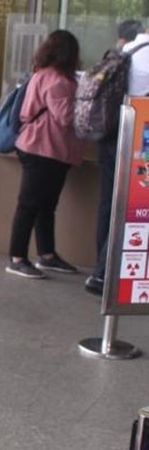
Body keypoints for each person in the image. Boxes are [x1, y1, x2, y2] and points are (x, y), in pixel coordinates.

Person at [6, 29, 86, 279]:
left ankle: (47, 254)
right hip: (43, 148)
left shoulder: (42, 73)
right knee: (30, 205)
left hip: (45, 148)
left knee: (45, 205)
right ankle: (17, 257)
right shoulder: (58, 80)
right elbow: (66, 117)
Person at [86, 18, 146, 295]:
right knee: (133, 205)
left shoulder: (128, 51)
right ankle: (105, 273)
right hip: (139, 137)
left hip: (111, 133)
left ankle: (103, 268)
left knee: (109, 203)